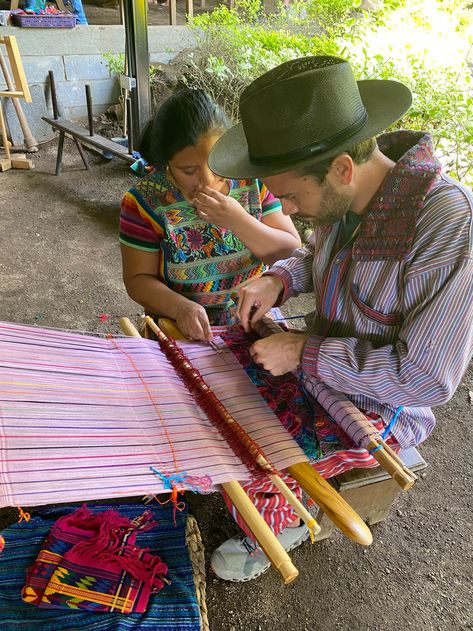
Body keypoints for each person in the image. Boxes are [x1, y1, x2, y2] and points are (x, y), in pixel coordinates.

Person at [207, 55, 473, 581]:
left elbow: (427, 378)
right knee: (212, 393)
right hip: (318, 373)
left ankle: (289, 522)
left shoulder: (447, 225)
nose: (288, 208)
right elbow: (319, 259)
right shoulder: (342, 201)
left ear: (342, 168)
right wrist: (279, 278)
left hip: (377, 410)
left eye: (289, 195)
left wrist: (305, 350)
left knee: (247, 465)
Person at [119, 88, 301, 341]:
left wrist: (238, 220)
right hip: (181, 328)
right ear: (166, 162)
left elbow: (290, 253)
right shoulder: (144, 202)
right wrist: (179, 307)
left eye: (216, 164)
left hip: (256, 322)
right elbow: (138, 279)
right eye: (188, 170)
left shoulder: (253, 182)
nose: (205, 180)